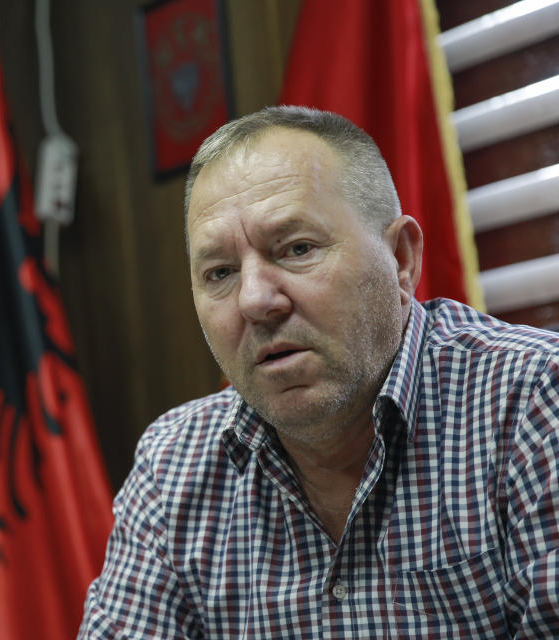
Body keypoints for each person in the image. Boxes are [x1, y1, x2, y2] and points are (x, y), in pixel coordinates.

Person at [78, 106, 559, 638]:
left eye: (297, 249)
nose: (255, 300)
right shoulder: (173, 467)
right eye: (220, 272)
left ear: (400, 259)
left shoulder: (533, 402)